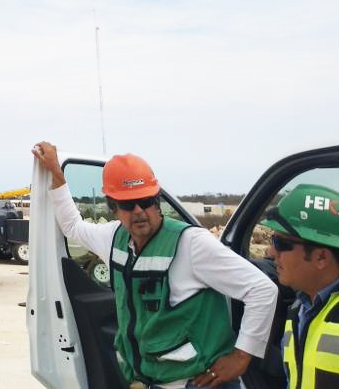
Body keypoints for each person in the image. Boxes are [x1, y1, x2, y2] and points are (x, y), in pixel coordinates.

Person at [32, 141, 277, 389]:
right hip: (151, 381)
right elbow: (73, 227)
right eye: (128, 204)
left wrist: (242, 356)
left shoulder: (191, 244)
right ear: (113, 207)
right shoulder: (113, 238)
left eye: (146, 200)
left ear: (156, 200)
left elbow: (262, 290)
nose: (139, 211)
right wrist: (56, 173)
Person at [263, 183, 339, 387]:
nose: (271, 253)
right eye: (272, 240)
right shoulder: (299, 309)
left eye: (281, 243)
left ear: (321, 257)